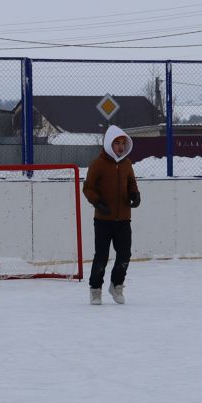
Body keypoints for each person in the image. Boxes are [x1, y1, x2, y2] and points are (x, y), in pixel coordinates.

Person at [81, 124, 140, 304]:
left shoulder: (127, 164)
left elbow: (131, 184)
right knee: (102, 256)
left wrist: (135, 195)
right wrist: (97, 202)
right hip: (103, 220)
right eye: (117, 143)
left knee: (124, 255)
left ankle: (116, 285)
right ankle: (95, 288)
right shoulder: (98, 164)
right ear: (109, 144)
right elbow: (88, 188)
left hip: (123, 219)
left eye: (123, 143)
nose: (121, 147)